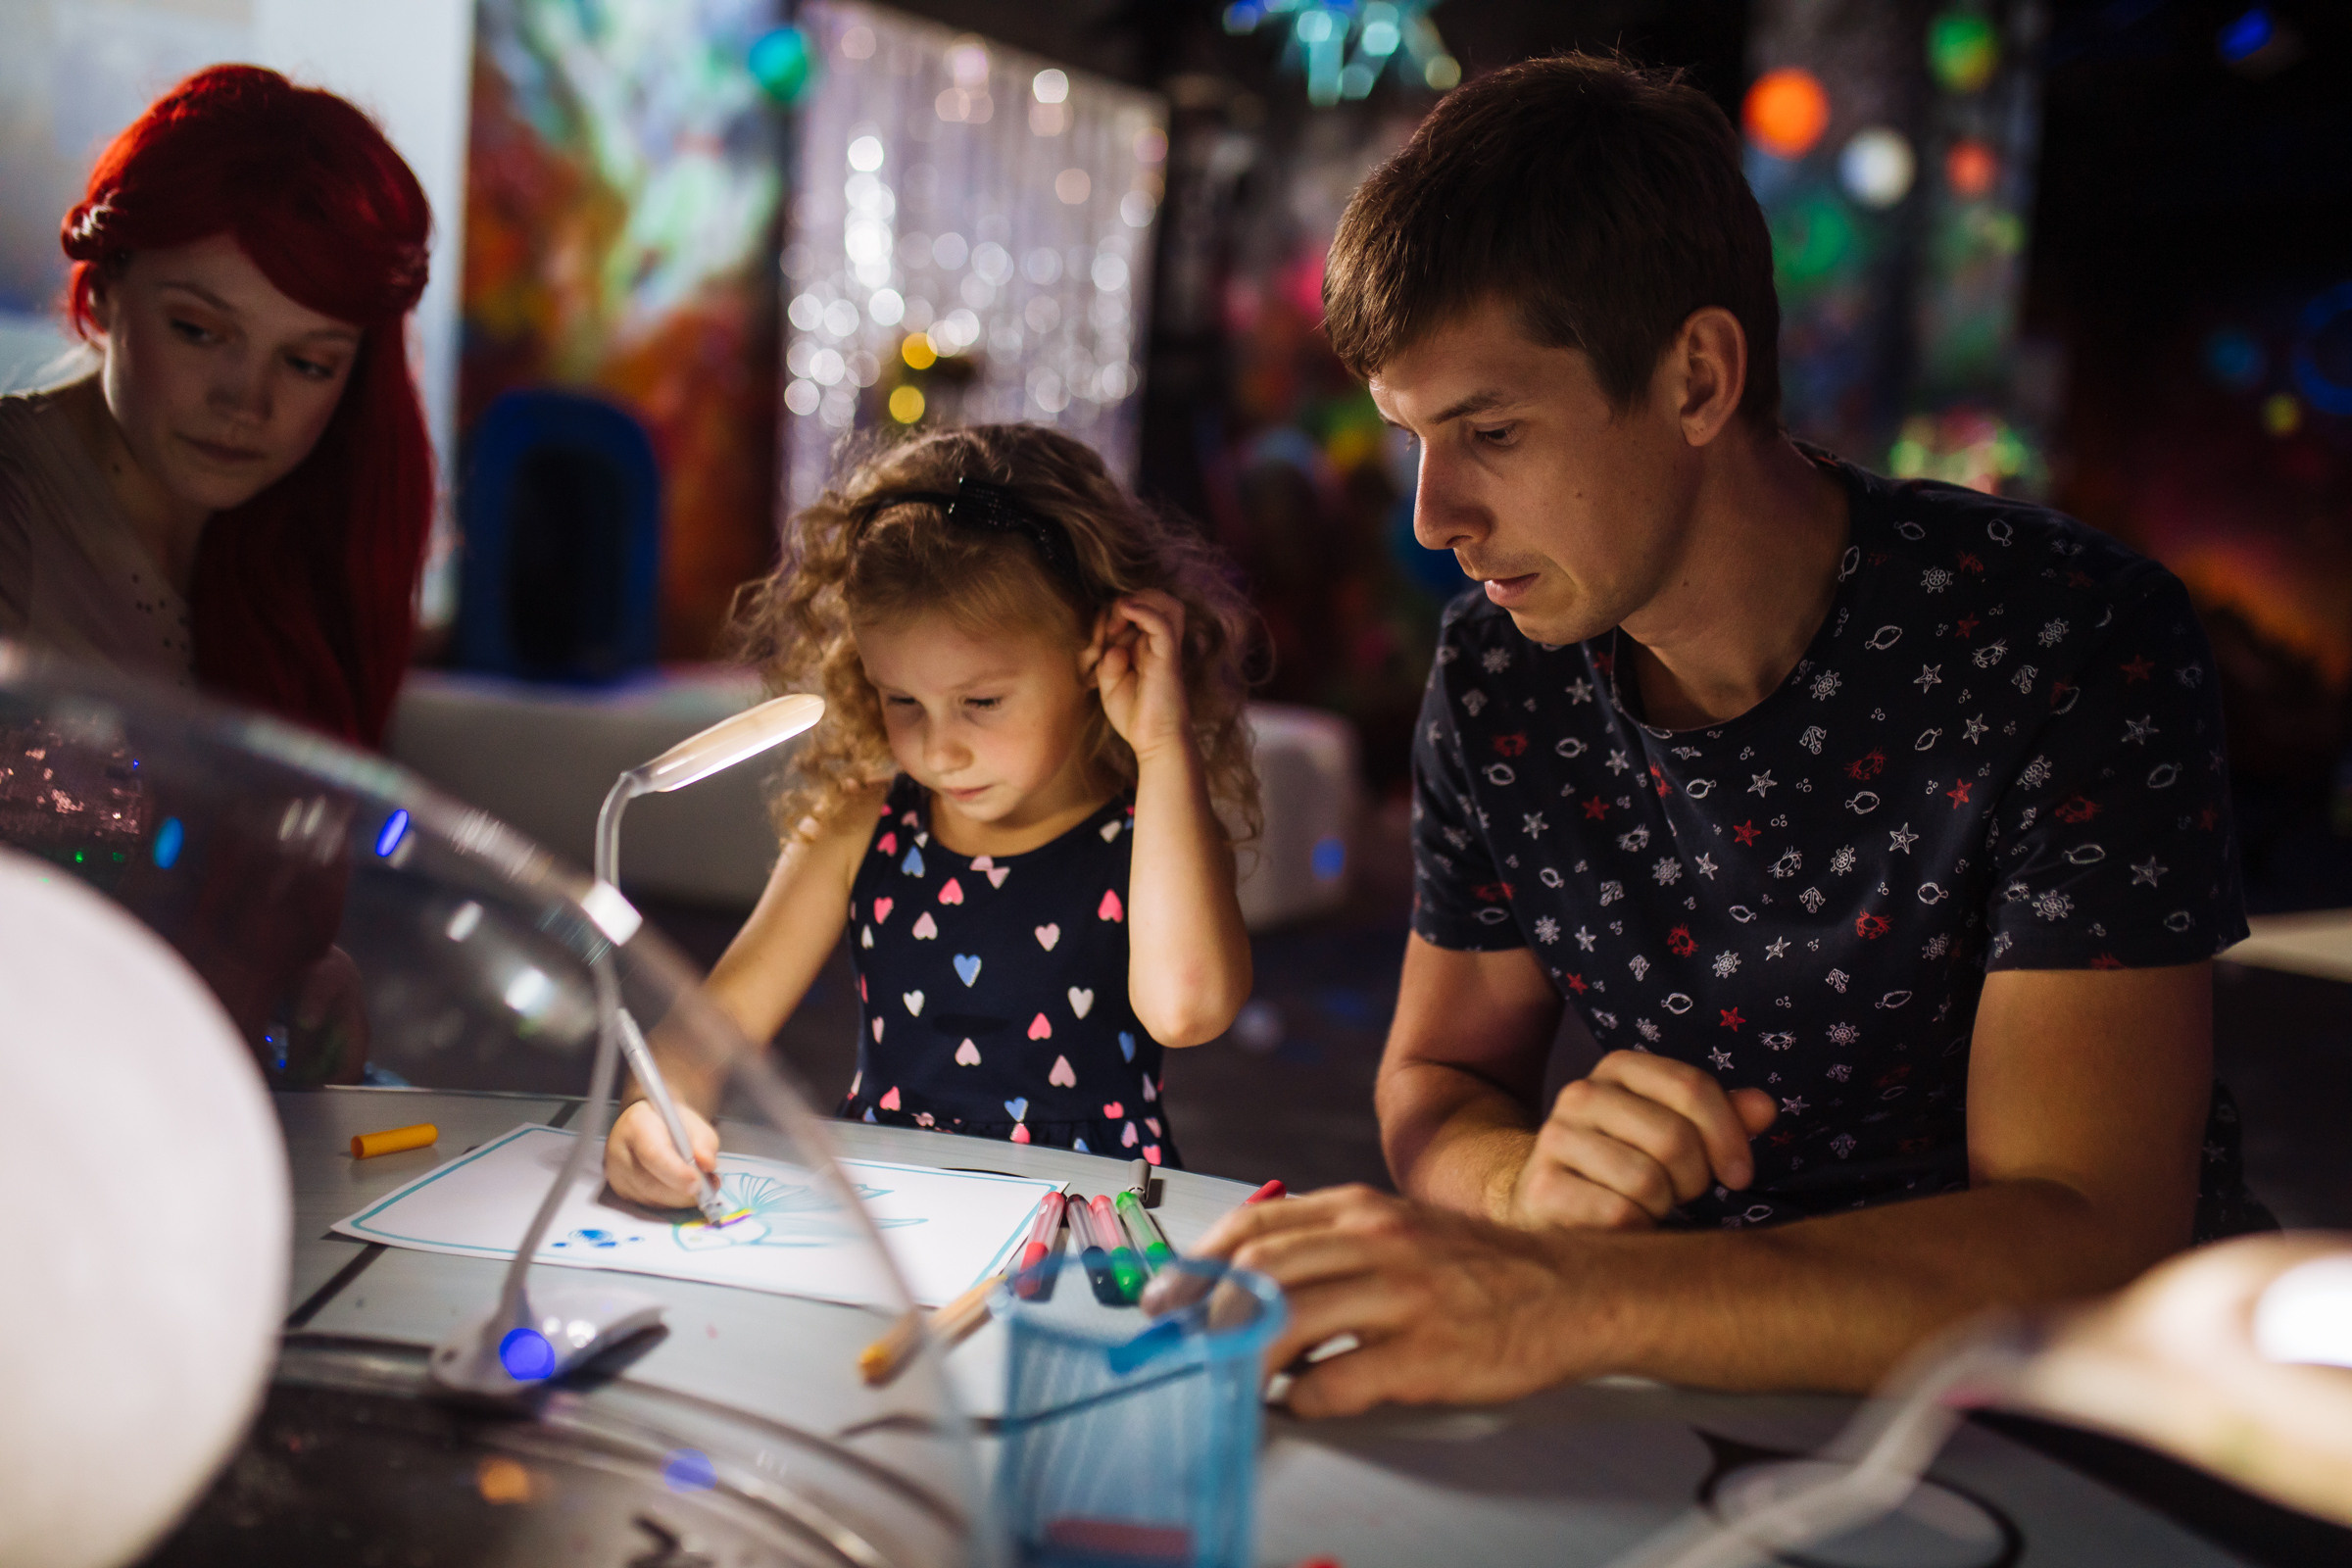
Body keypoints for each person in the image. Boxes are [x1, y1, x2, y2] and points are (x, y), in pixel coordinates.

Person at [1184, 53, 2261, 1416]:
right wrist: (1527, 1188)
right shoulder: (1502, 672)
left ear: (1697, 377)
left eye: (1491, 430)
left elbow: (2089, 1236)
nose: (1431, 516)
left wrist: (1561, 1296)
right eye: (1413, 439)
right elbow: (1442, 1076)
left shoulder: (2062, 639)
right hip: (1681, 1381)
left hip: (2075, 1427)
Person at [607, 424, 1258, 1201]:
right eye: (902, 700)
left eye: (980, 701)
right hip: (898, 1222)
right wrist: (653, 1113)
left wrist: (1161, 744)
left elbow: (1188, 1010)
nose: (939, 749)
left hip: (1094, 1225)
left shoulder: (1158, 829)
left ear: (1098, 649)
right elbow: (704, 1037)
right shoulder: (861, 826)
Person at [0, 63, 434, 748]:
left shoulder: (304, 548)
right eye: (199, 330)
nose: (246, 403)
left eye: (307, 363)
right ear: (108, 284)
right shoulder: (16, 509)